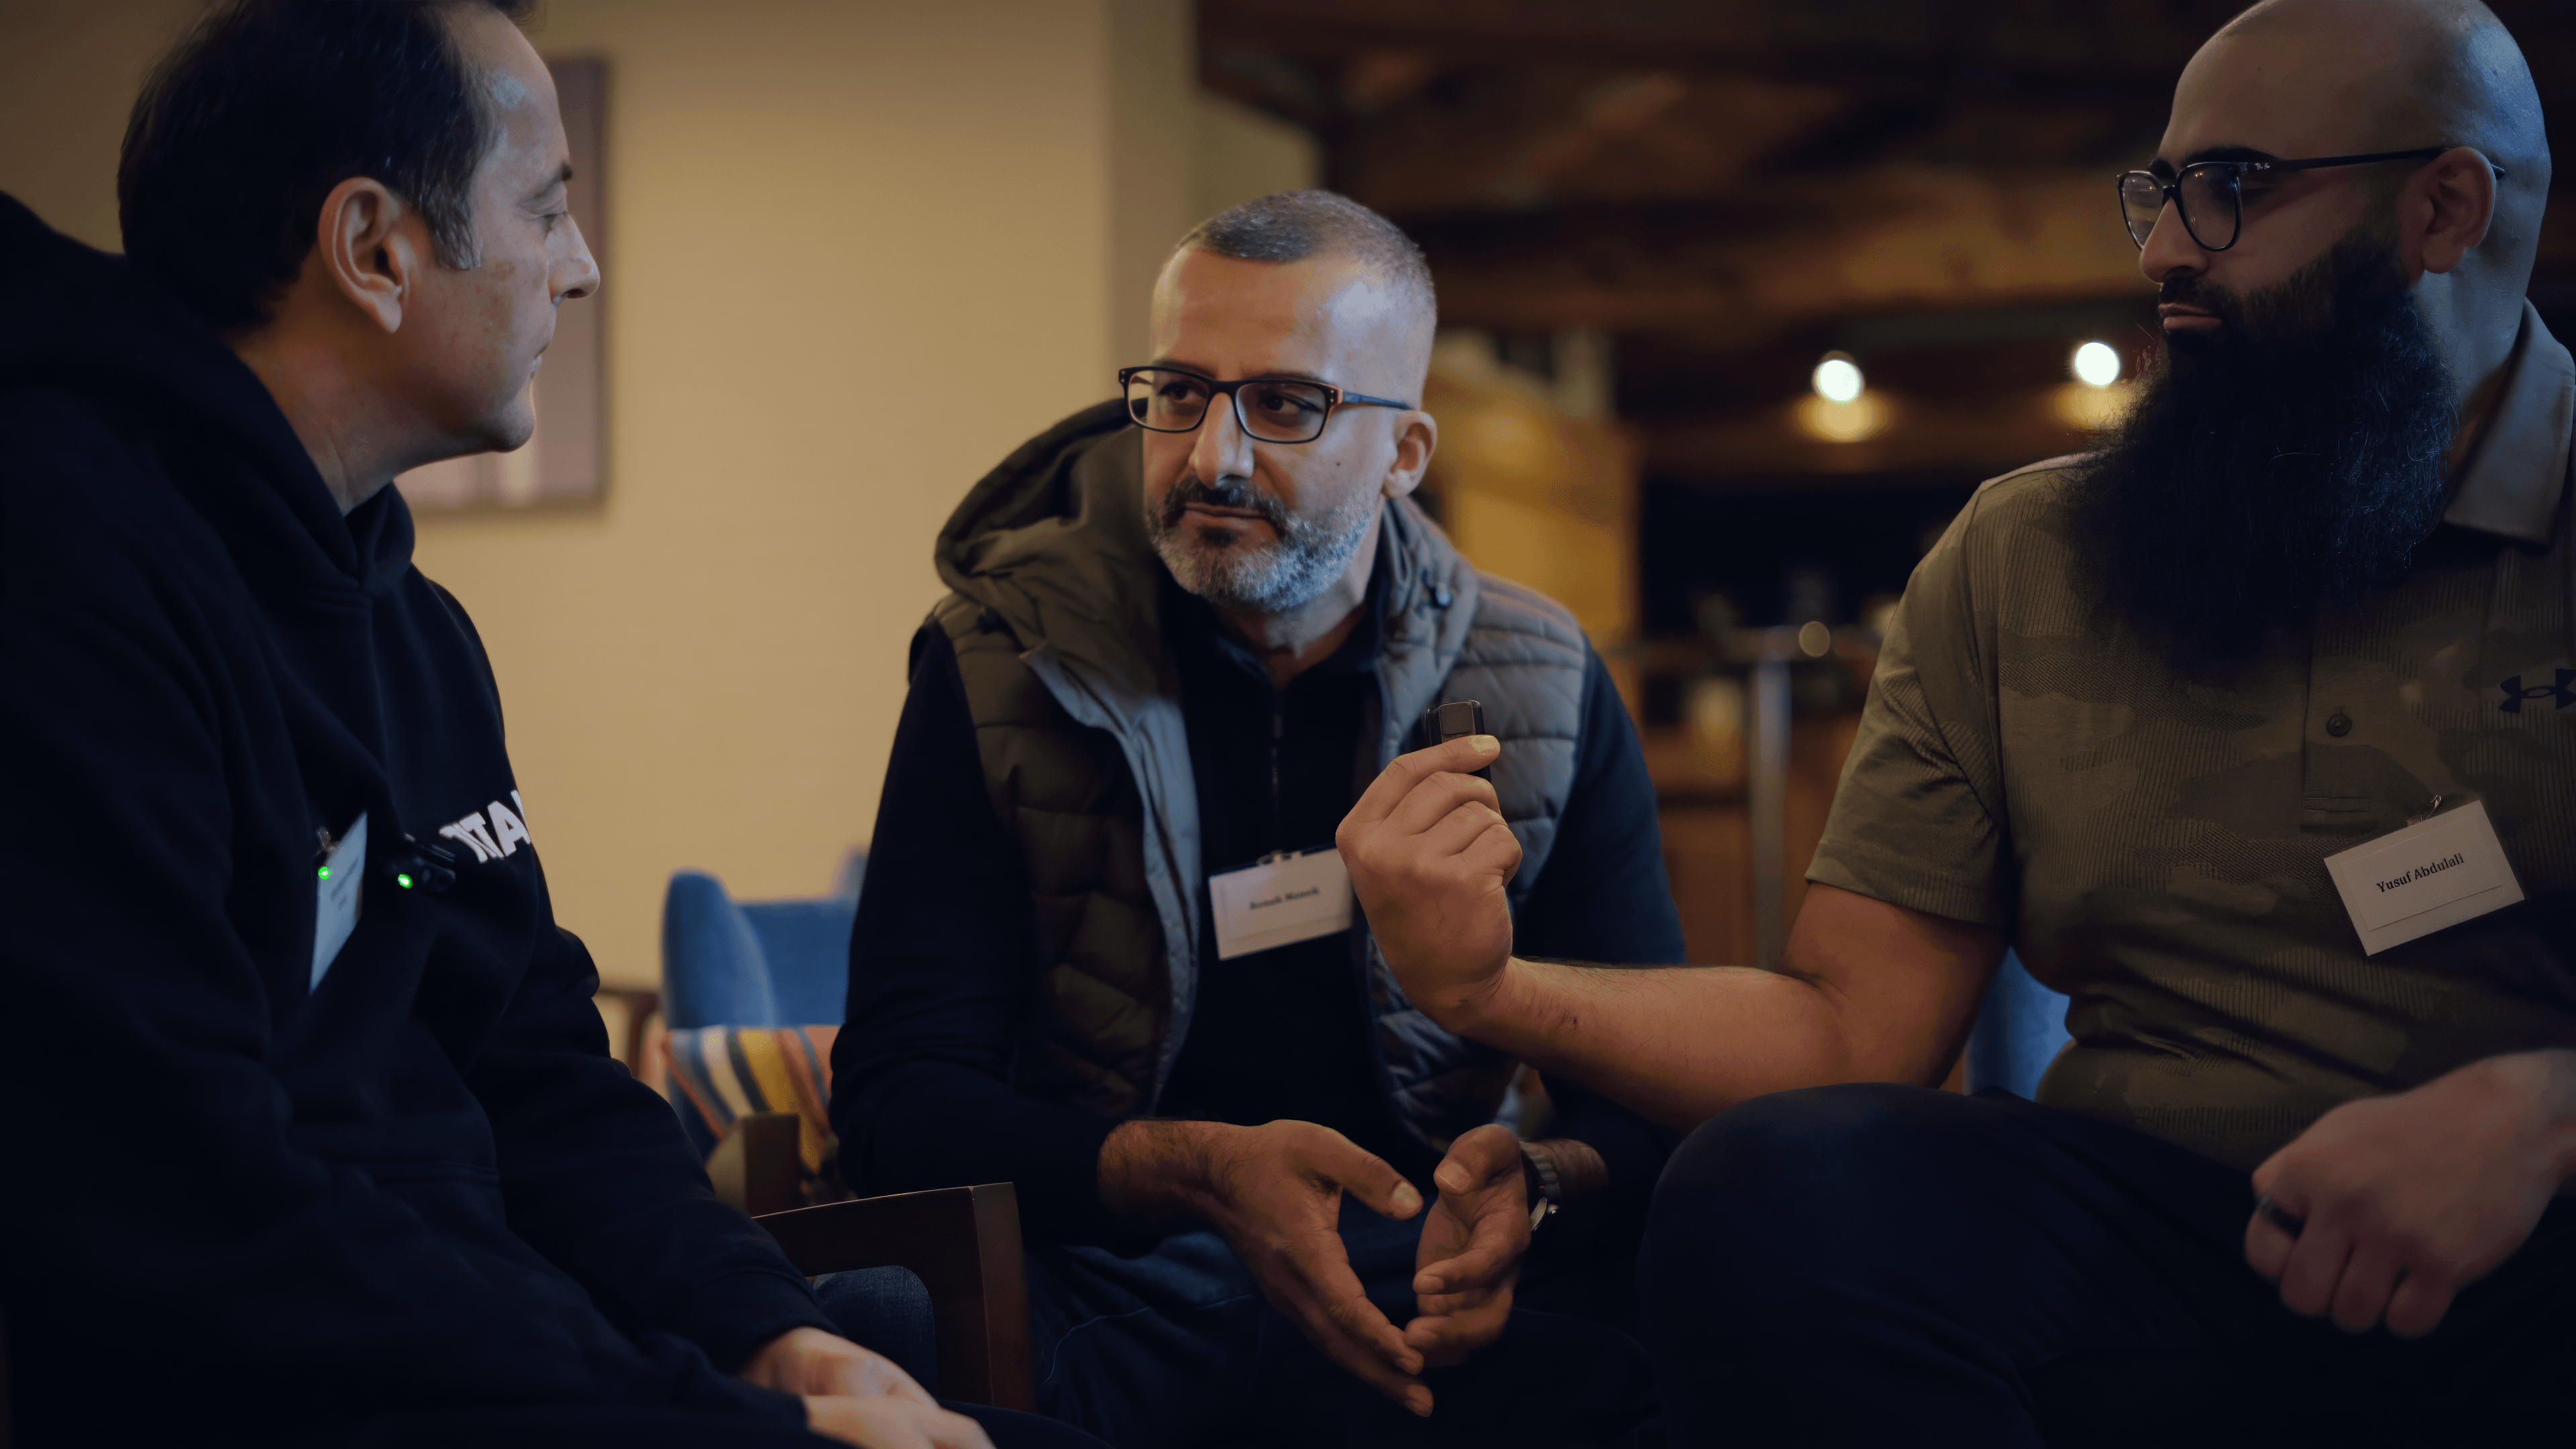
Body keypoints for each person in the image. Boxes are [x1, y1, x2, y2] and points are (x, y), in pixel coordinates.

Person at [1336, 1, 2575, 1444]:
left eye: (2237, 186)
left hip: (2532, 1262)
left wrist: (2543, 1114)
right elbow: (1849, 1033)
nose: (2167, 250)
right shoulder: (2027, 557)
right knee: (1777, 1188)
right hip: (2146, 1253)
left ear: (2443, 210)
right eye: (2164, 189)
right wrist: (1492, 989)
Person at [0, 4, 1101, 1446]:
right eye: (545, 207)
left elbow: (533, 1066)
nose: (580, 267)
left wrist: (765, 1331)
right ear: (374, 249)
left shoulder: (414, 628)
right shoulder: (65, 570)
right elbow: (178, 1206)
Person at [826, 190, 1682, 1448]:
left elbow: (1645, 1091)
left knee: (1725, 1289)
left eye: (1285, 405)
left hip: (1428, 1254)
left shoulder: (1539, 676)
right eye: (1180, 392)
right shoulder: (1002, 661)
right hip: (1121, 1271)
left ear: (1405, 455)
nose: (1211, 456)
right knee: (883, 1326)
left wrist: (1542, 1184)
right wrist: (1196, 1172)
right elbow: (896, 1105)